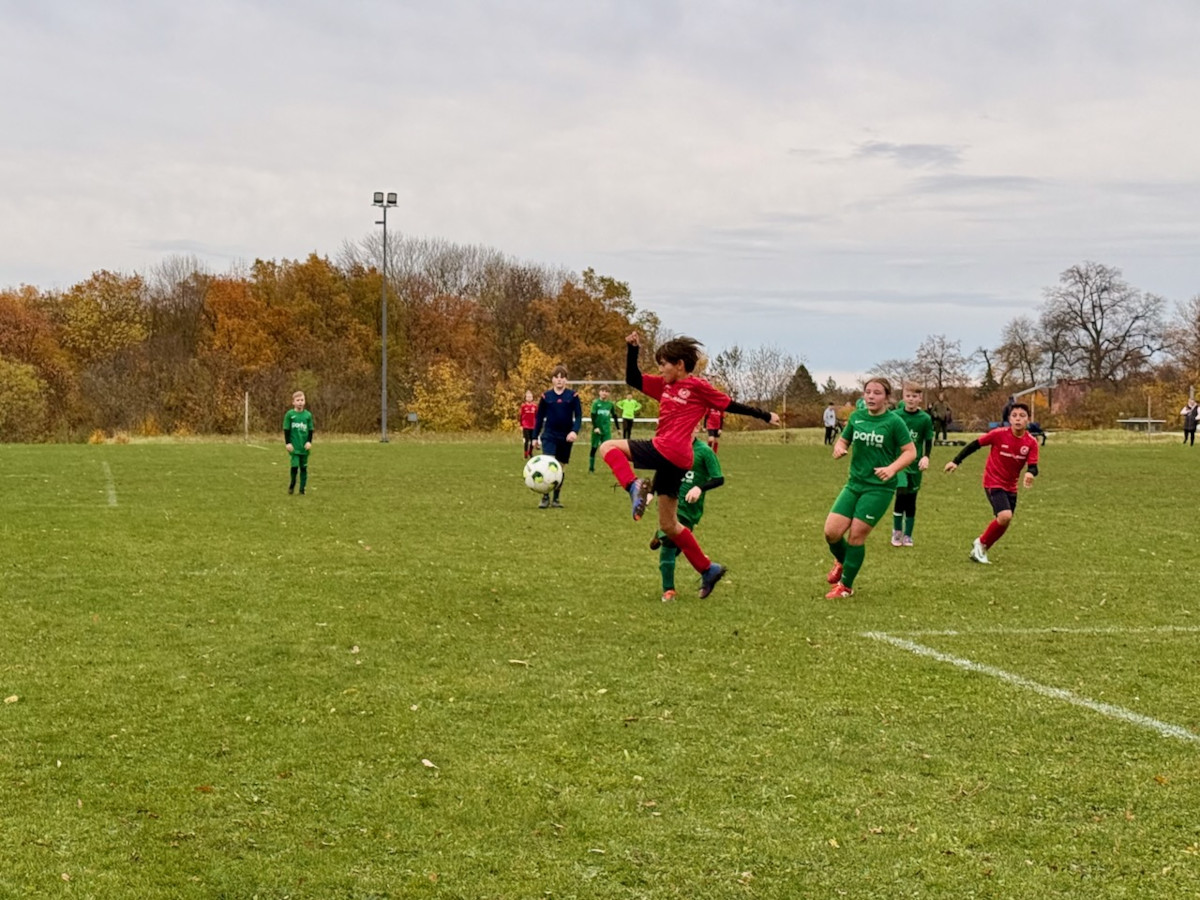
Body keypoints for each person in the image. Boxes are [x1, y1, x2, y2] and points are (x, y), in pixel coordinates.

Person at [599, 333, 780, 599]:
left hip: (668, 449)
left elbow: (729, 404)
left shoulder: (697, 386)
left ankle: (633, 485)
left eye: (664, 364)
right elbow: (633, 379)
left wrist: (764, 415)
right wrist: (632, 350)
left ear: (680, 364)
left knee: (607, 447)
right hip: (678, 459)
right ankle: (708, 569)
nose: (660, 369)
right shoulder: (664, 385)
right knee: (669, 524)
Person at [823, 378, 916, 598]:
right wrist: (839, 448)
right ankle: (843, 561)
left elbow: (910, 452)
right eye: (868, 392)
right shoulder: (856, 417)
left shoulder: (894, 422)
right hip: (854, 484)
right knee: (831, 533)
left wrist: (892, 469)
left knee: (856, 536)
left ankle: (846, 586)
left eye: (877, 393)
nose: (871, 396)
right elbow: (844, 441)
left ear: (886, 397)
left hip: (879, 488)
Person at [944, 402, 1040, 564]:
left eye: (1022, 416)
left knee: (1004, 521)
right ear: (1009, 418)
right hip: (993, 481)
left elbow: (1033, 466)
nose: (1018, 419)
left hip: (1011, 486)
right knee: (1005, 516)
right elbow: (975, 445)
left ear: (1028, 420)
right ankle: (980, 544)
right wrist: (956, 461)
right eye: (1014, 415)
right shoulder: (998, 434)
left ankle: (981, 547)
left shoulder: (1031, 442)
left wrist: (1030, 473)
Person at [651, 435, 723, 602]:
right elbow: (661, 471)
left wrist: (700, 487)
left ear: (697, 427)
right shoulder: (672, 448)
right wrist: (649, 492)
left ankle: (660, 534)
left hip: (691, 509)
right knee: (669, 544)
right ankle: (669, 591)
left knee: (678, 546)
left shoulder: (704, 451)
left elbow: (719, 478)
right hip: (671, 503)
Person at [890, 384, 934, 547]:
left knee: (911, 499)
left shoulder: (925, 419)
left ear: (920, 399)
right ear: (903, 396)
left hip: (915, 465)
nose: (911, 399)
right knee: (901, 492)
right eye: (908, 396)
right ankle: (897, 532)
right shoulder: (895, 416)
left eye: (915, 396)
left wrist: (926, 457)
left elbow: (928, 440)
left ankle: (908, 534)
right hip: (898, 463)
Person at [533, 365, 582, 509]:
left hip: (565, 437)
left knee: (560, 468)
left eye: (562, 377)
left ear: (566, 380)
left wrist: (574, 431)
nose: (559, 380)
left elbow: (578, 416)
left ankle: (556, 499)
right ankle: (545, 496)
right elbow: (540, 417)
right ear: (553, 379)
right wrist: (535, 437)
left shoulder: (573, 396)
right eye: (557, 377)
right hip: (549, 435)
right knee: (549, 465)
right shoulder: (546, 396)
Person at [283, 390, 314, 495]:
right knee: (295, 466)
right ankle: (292, 484)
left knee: (304, 467)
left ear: (304, 401)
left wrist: (309, 442)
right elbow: (286, 429)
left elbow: (310, 430)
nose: (300, 402)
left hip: (304, 446)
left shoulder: (308, 415)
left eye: (302, 400)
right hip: (294, 446)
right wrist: (288, 443)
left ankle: (302, 489)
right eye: (298, 400)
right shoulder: (290, 415)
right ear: (293, 402)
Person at [588, 385, 617, 472]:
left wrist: (618, 428)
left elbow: (614, 415)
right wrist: (595, 427)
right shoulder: (596, 403)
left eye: (606, 391)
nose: (604, 393)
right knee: (594, 448)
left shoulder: (610, 404)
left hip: (606, 430)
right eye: (602, 391)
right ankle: (591, 468)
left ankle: (614, 468)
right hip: (597, 431)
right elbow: (593, 416)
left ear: (609, 394)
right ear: (599, 392)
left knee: (609, 449)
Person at [519, 390, 539, 459]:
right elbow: (521, 416)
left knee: (532, 440)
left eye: (530, 397)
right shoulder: (523, 406)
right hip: (526, 425)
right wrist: (521, 425)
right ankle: (525, 454)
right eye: (528, 397)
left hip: (533, 426)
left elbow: (537, 416)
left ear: (532, 398)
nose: (529, 398)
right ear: (526, 398)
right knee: (526, 440)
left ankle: (530, 452)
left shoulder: (535, 406)